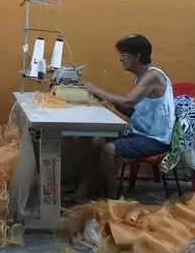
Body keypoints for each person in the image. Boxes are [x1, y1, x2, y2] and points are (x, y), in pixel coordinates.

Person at [72, 34, 174, 200]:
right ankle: (84, 190)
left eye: (124, 55)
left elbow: (128, 102)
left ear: (138, 56)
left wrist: (96, 90)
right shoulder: (141, 78)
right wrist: (102, 97)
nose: (120, 59)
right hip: (139, 133)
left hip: (155, 139)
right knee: (97, 140)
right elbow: (133, 112)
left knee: (109, 150)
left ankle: (112, 200)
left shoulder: (152, 76)